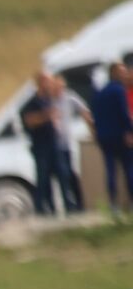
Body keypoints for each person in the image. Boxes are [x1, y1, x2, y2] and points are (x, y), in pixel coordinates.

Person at [95, 59, 133, 215]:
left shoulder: (100, 92)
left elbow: (96, 115)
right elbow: (124, 114)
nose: (125, 75)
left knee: (110, 170)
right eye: (122, 72)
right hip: (120, 136)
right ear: (114, 73)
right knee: (128, 169)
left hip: (104, 136)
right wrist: (130, 130)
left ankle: (113, 203)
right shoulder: (119, 91)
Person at [23, 73, 64, 217]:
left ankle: (54, 208)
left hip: (53, 144)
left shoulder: (48, 100)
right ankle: (41, 209)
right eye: (48, 82)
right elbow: (30, 121)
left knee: (60, 176)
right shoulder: (32, 102)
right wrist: (47, 116)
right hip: (41, 146)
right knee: (43, 178)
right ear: (41, 83)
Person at [53, 76, 90, 214]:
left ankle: (78, 204)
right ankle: (68, 206)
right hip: (54, 145)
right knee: (62, 176)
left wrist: (91, 129)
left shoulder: (69, 98)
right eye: (56, 87)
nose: (59, 90)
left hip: (66, 144)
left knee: (70, 175)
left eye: (61, 87)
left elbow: (84, 111)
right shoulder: (50, 100)